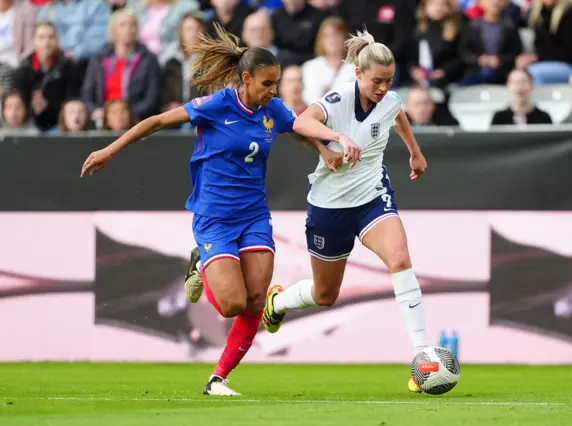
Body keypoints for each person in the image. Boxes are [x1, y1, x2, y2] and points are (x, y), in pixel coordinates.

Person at [80, 23, 353, 396]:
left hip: (254, 215)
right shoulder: (217, 105)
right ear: (245, 79)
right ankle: (200, 263)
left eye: (275, 84)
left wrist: (324, 150)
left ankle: (217, 379)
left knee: (257, 300)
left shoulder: (272, 109)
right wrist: (111, 149)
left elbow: (301, 129)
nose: (273, 91)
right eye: (266, 84)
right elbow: (158, 121)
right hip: (215, 218)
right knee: (231, 305)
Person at [261, 29, 429, 393]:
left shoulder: (390, 98)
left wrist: (414, 150)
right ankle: (279, 301)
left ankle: (422, 358)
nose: (383, 88)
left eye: (388, 80)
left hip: (371, 196)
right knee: (326, 295)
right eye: (376, 81)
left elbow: (396, 112)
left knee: (399, 257)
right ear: (358, 74)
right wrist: (338, 137)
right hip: (330, 205)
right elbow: (301, 122)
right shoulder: (337, 100)